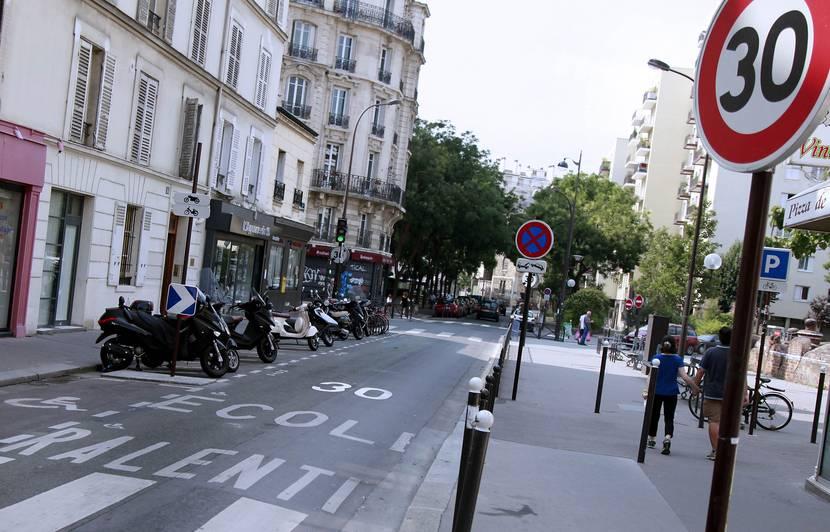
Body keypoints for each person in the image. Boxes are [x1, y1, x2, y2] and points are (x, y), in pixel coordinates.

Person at [693, 326, 747, 461]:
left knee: (714, 421)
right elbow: (742, 375)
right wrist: (745, 393)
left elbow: (701, 372)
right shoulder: (737, 354)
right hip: (732, 395)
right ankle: (728, 451)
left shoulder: (711, 352)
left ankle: (717, 450)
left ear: (720, 337)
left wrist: (695, 386)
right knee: (729, 423)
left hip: (713, 393)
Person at [648, 336, 699, 455]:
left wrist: (647, 391)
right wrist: (694, 387)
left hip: (657, 391)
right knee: (669, 417)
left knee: (654, 415)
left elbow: (651, 377)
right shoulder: (677, 359)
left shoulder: (656, 358)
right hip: (671, 392)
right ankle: (667, 438)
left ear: (662, 345)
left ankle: (651, 439)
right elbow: (684, 376)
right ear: (674, 346)